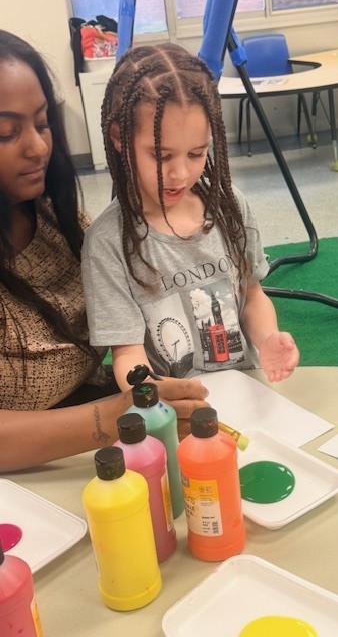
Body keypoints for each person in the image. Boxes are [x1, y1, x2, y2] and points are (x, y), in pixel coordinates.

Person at [0, 30, 208, 472]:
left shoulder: (57, 217)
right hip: (34, 474)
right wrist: (114, 417)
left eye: (42, 123)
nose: (39, 147)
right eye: (6, 132)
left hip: (115, 423)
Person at [81, 43, 299, 390]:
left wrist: (269, 338)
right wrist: (149, 392)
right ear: (120, 139)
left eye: (197, 153)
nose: (181, 174)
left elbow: (252, 296)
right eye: (161, 155)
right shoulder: (107, 243)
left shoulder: (230, 206)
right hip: (175, 409)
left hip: (248, 392)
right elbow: (127, 352)